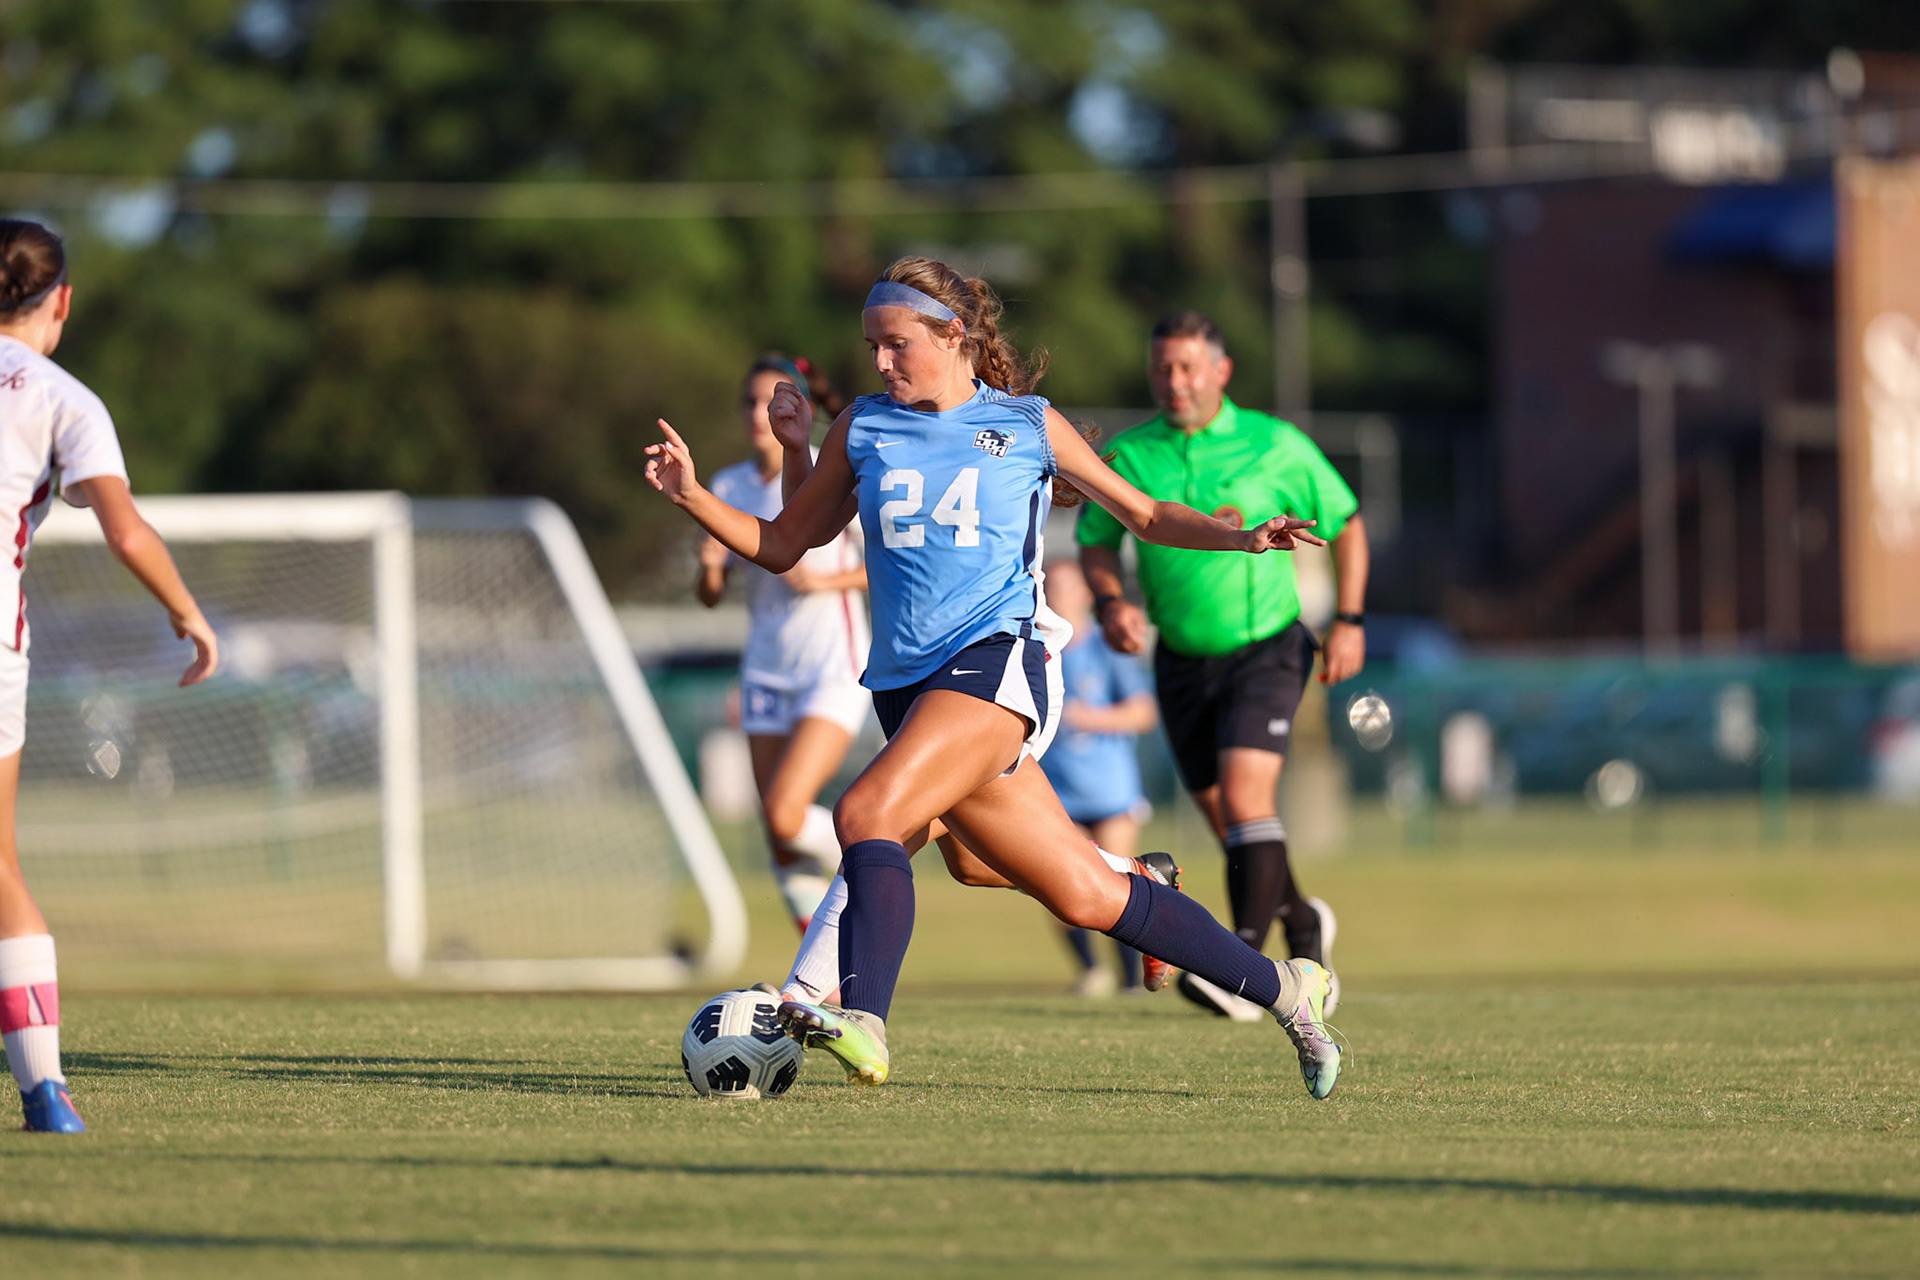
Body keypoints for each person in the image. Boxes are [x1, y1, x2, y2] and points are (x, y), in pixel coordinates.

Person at [646, 257, 1342, 1100]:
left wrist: (1243, 539)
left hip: (996, 664)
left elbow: (1145, 514)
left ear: (954, 335)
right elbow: (786, 545)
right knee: (1079, 893)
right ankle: (1286, 991)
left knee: (869, 814)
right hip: (905, 688)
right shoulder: (862, 429)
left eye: (896, 345)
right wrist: (693, 496)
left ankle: (863, 1020)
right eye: (871, 347)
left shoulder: (1027, 426)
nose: (880, 364)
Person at [1078, 310, 1368, 1021]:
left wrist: (1352, 620)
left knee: (1246, 799)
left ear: (1220, 371)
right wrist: (1111, 601)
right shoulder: (1130, 454)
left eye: (1187, 367)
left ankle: (1239, 964)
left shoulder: (1276, 443)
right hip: (1180, 659)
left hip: (1266, 646)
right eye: (1162, 368)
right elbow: (1093, 540)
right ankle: (1303, 925)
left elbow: (1348, 520)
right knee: (1236, 822)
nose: (1173, 381)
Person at [0, 219, 219, 1132]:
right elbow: (123, 528)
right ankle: (46, 1089)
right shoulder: (64, 399)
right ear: (62, 300)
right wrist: (186, 613)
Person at [697, 355, 868, 933]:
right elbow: (709, 597)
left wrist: (823, 581)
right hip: (767, 669)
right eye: (749, 401)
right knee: (778, 833)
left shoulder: (830, 471)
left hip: (833, 664)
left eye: (772, 400)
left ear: (798, 408)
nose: (758, 413)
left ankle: (874, 857)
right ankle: (823, 959)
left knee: (786, 811)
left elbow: (888, 562)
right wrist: (710, 566)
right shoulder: (727, 485)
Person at [1036, 559, 1158, 997]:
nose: (1061, 595)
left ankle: (1130, 979)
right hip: (1056, 791)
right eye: (1055, 587)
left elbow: (1143, 712)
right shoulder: (1036, 646)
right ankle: (1092, 971)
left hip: (1110, 788)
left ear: (1088, 594)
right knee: (1053, 885)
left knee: (1117, 884)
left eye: (1071, 587)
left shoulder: (1106, 648)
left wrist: (1095, 718)